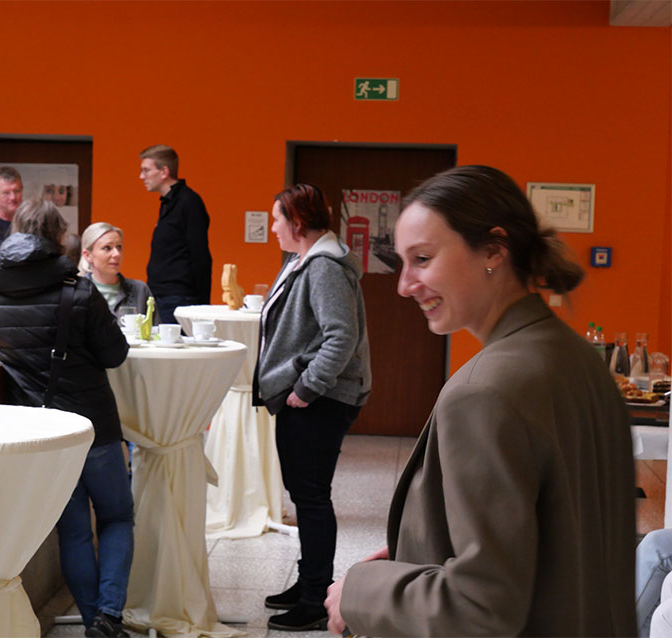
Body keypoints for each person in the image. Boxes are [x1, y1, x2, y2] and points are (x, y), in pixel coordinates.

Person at [325, 165, 636, 636]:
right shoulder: (580, 360)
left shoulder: (483, 392)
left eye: (422, 258)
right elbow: (560, 537)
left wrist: (360, 591)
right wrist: (416, 551)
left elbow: (480, 609)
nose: (404, 284)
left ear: (493, 250)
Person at [0, 199, 134, 638]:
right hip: (94, 425)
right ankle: (109, 616)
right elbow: (115, 355)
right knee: (116, 517)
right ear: (60, 237)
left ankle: (93, 618)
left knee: (73, 530)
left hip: (41, 432)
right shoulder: (79, 289)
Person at [253, 183, 371, 631]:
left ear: (298, 223)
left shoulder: (324, 267)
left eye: (277, 220)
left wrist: (307, 387)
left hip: (320, 398)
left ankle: (316, 598)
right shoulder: (303, 260)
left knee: (312, 496)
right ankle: (309, 583)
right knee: (304, 493)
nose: (273, 228)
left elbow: (341, 335)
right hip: (308, 395)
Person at [139, 144, 211, 323]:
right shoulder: (168, 203)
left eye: (146, 170)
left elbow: (200, 254)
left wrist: (203, 306)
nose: (142, 176)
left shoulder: (189, 202)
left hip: (179, 298)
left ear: (164, 172)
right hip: (162, 296)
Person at [79, 222, 155, 318]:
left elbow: (155, 327)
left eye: (119, 247)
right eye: (107, 248)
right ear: (88, 255)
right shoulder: (77, 292)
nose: (117, 254)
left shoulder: (140, 291)